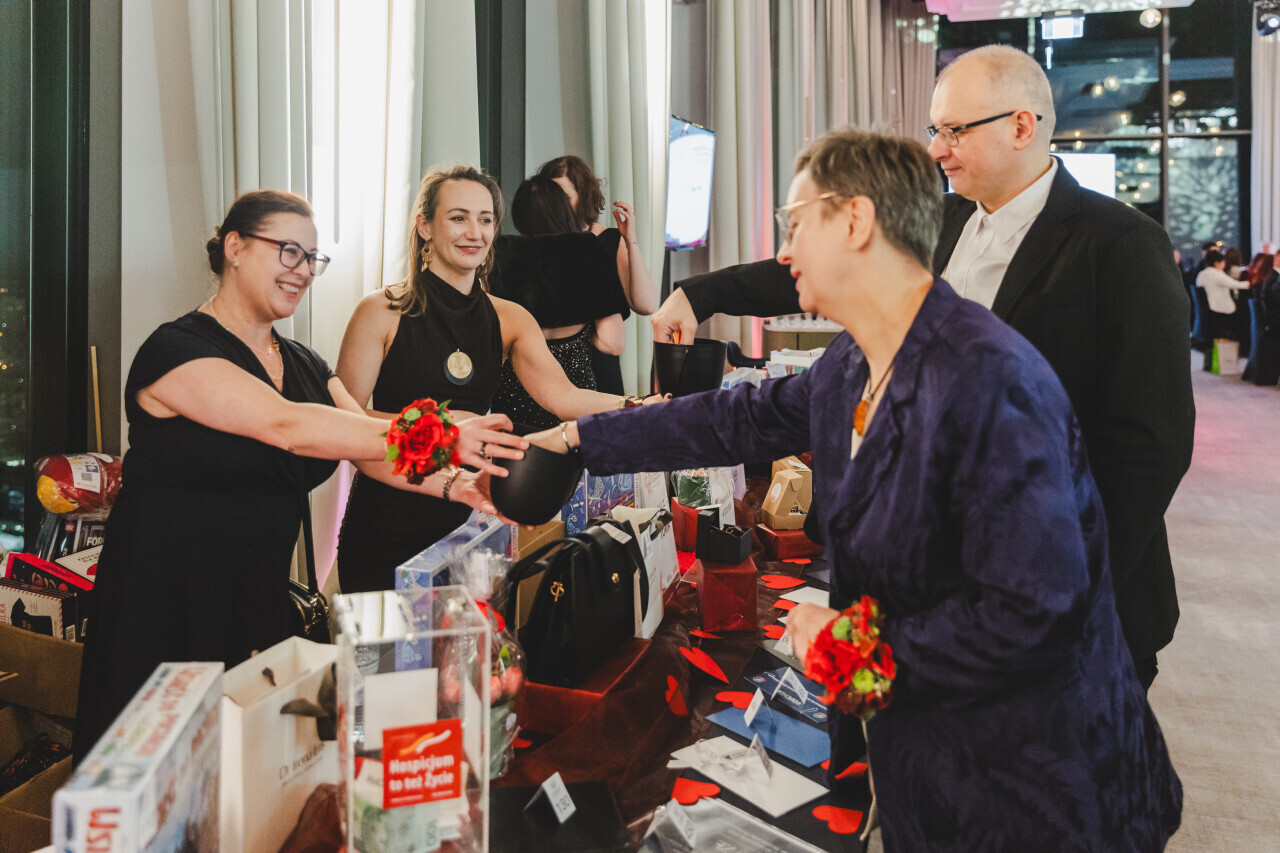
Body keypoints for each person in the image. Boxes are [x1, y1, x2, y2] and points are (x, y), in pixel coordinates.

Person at [528, 129, 1182, 850]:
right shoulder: (855, 359)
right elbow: (738, 419)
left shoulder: (990, 379)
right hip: (930, 754)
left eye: (795, 224)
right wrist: (578, 439)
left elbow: (1033, 614)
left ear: (856, 223)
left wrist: (849, 644)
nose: (784, 253)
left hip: (1032, 783)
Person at [651, 45, 1195, 691]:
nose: (937, 150)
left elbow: (1149, 445)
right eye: (935, 130)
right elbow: (825, 260)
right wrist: (702, 293)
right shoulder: (943, 221)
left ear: (1022, 126)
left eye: (955, 130)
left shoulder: (1120, 243)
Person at [74, 190, 525, 760]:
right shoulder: (176, 350)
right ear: (234, 248)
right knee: (164, 775)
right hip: (166, 600)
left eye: (312, 258)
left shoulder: (304, 364)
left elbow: (364, 444)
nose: (303, 270)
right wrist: (439, 433)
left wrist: (456, 484)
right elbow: (286, 425)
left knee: (250, 773)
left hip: (256, 600)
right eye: (289, 251)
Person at [334, 166, 662, 593]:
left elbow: (563, 397)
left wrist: (640, 407)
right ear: (425, 226)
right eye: (458, 217)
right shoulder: (380, 311)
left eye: (485, 219)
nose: (475, 232)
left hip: (469, 519)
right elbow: (346, 424)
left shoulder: (510, 318)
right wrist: (446, 432)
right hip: (385, 519)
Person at [488, 175, 628, 430]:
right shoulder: (588, 250)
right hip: (576, 395)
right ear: (563, 209)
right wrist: (582, 334)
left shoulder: (500, 254)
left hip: (513, 394)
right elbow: (612, 343)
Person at [537, 155, 659, 393]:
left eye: (565, 198)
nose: (558, 206)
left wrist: (630, 241)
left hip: (599, 369)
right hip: (548, 373)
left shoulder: (606, 240)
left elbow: (645, 305)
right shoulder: (539, 243)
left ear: (584, 196)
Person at [1197, 249, 1251, 342]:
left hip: (1209, 312)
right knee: (1244, 314)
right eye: (1223, 262)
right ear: (1217, 263)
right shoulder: (1216, 274)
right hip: (1220, 313)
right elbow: (1236, 285)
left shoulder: (1201, 274)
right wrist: (1252, 283)